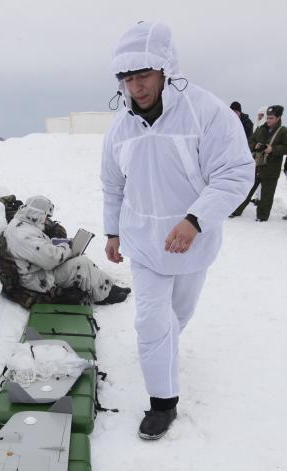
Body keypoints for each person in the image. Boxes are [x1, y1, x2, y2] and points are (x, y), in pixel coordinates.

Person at [101, 21, 254, 440]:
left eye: (144, 75)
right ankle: (162, 402)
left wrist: (194, 220)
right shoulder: (120, 128)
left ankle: (162, 347)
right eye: (128, 78)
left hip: (191, 244)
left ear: (166, 68)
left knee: (177, 317)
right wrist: (112, 231)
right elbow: (113, 184)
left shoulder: (207, 113)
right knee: (151, 320)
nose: (136, 87)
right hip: (144, 244)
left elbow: (236, 174)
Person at [3, 195, 130, 305]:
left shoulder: (21, 224)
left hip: (37, 269)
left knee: (77, 261)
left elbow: (40, 252)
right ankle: (105, 295)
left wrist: (58, 247)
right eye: (46, 216)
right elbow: (50, 259)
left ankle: (109, 286)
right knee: (81, 264)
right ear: (37, 214)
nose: (46, 220)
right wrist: (66, 247)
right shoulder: (24, 234)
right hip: (37, 279)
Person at [230, 105, 287, 221]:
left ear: (278, 118)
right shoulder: (261, 129)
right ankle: (236, 210)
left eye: (271, 118)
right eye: (268, 117)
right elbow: (250, 141)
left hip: (272, 168)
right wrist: (254, 146)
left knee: (267, 195)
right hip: (257, 166)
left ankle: (262, 216)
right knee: (247, 189)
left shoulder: (283, 131)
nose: (268, 120)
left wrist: (273, 149)